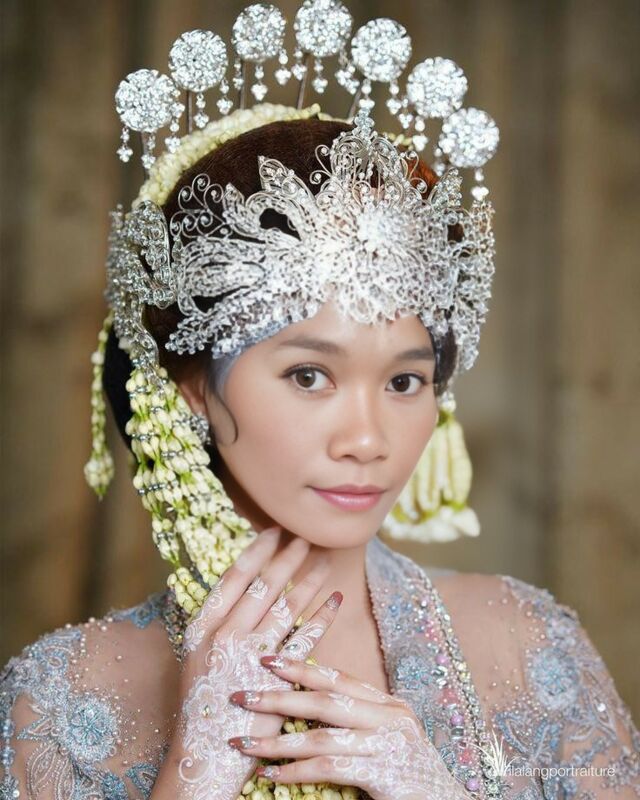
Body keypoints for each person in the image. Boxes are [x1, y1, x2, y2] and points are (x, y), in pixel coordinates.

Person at [1, 5, 638, 800]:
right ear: (191, 385)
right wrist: (194, 773)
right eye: (310, 375)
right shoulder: (63, 699)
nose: (368, 440)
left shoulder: (528, 645)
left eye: (404, 382)